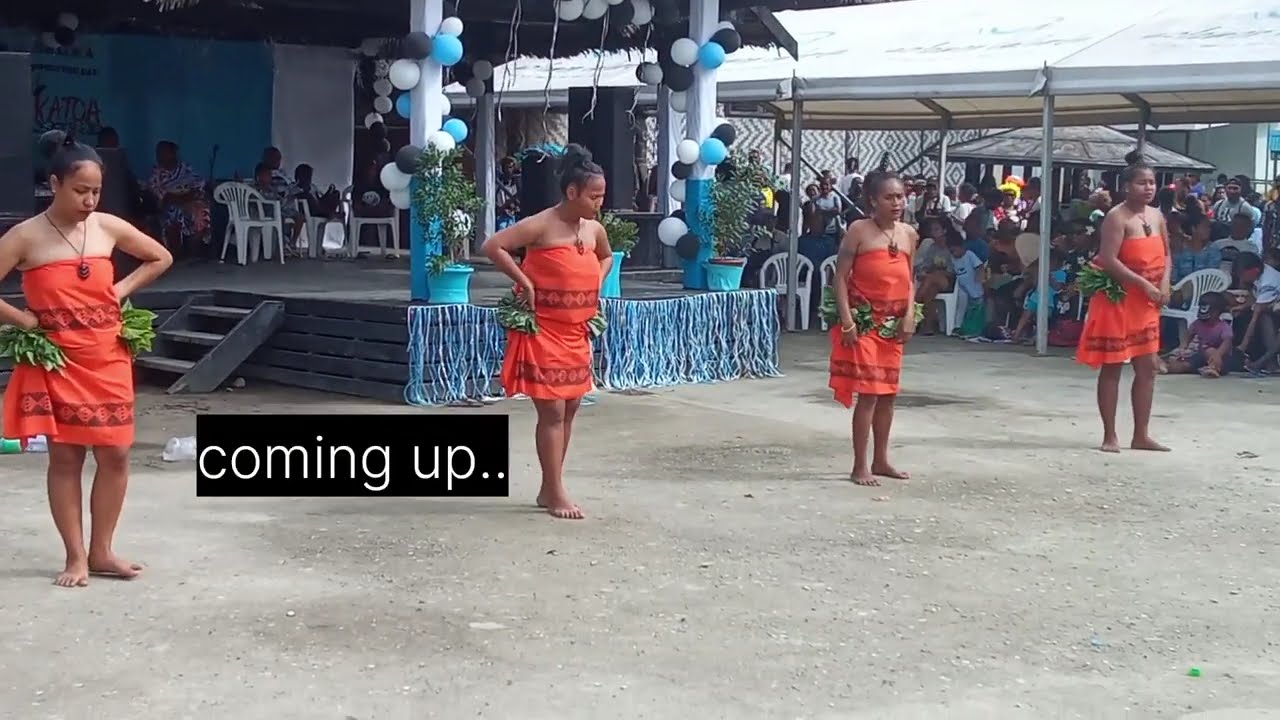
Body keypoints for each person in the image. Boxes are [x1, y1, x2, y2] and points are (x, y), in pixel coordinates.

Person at [0, 134, 173, 587]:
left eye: (96, 191)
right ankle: (76, 556)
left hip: (107, 355)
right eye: (80, 191)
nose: (89, 200)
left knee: (115, 453)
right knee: (66, 458)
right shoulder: (24, 236)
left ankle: (103, 550)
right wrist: (24, 321)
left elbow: (159, 257)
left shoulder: (107, 227)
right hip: (60, 361)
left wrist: (117, 291)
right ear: (53, 183)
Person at [481, 144, 612, 520]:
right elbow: (494, 245)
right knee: (553, 410)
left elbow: (605, 256)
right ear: (572, 193)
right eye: (593, 196)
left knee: (570, 408)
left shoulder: (594, 229)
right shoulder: (542, 223)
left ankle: (548, 485)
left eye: (601, 196)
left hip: (577, 330)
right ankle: (555, 490)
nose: (599, 203)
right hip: (545, 329)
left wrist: (595, 284)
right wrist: (526, 281)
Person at [828, 171, 917, 487]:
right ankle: (859, 465)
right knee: (868, 395)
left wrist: (909, 316)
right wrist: (848, 320)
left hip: (893, 327)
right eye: (889, 197)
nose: (897, 203)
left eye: (900, 196)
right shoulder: (858, 230)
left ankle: (881, 460)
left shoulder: (908, 233)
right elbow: (839, 277)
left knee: (888, 395)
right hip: (865, 323)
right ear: (873, 201)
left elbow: (909, 278)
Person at [1076, 158, 1170, 453]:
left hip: (1147, 302)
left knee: (1148, 368)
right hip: (1118, 299)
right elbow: (1108, 259)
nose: (1148, 188)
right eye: (1142, 183)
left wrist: (1164, 284)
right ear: (1127, 187)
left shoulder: (1157, 216)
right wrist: (1142, 284)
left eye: (1152, 182)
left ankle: (1141, 434)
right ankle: (1110, 435)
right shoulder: (1117, 217)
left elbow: (1168, 254)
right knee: (1113, 366)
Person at [147, 140, 211, 256]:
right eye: (159, 153)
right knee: (175, 213)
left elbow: (199, 186)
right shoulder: (157, 175)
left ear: (173, 154)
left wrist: (191, 196)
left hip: (190, 201)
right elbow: (164, 197)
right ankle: (177, 251)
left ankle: (196, 248)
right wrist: (183, 199)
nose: (160, 156)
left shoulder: (185, 169)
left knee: (203, 211)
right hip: (170, 207)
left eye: (164, 153)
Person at [1161, 292, 1239, 377]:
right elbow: (1189, 335)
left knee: (1211, 351)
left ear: (1217, 312)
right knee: (1185, 364)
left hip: (1222, 359)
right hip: (1201, 356)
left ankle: (1213, 369)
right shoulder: (1198, 324)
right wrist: (1183, 347)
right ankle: (1167, 367)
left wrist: (1218, 355)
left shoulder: (1224, 327)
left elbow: (1227, 343)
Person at [1233, 252, 1280, 375]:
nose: (1241, 278)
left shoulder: (1268, 283)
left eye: (1242, 274)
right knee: (1264, 316)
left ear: (1255, 270)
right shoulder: (1260, 273)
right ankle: (1271, 364)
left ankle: (1263, 362)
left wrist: (1243, 345)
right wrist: (1243, 307)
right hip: (1273, 309)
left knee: (1262, 317)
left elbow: (1257, 313)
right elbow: (1257, 300)